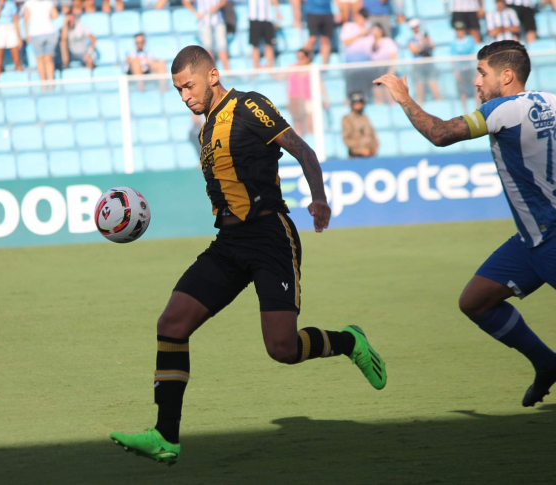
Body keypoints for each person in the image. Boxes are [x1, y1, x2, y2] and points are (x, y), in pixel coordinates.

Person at [110, 45, 387, 466]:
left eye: (188, 85)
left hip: (269, 235)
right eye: (177, 90)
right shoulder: (205, 132)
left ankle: (350, 342)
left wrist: (319, 200)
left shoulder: (248, 105)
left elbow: (303, 150)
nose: (184, 96)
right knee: (171, 323)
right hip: (229, 244)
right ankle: (166, 436)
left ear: (213, 75)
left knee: (281, 348)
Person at [375, 40, 556, 408]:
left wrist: (404, 98)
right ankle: (546, 363)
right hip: (530, 240)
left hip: (551, 238)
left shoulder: (501, 110)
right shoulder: (551, 100)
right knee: (476, 301)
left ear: (506, 76)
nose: (476, 81)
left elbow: (440, 134)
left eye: (482, 72)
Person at [182, 0, 230, 70]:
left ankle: (227, 71)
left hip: (218, 21)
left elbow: (223, 1)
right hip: (204, 23)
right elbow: (185, 2)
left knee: (222, 47)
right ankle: (212, 70)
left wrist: (215, 8)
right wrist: (195, 13)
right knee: (208, 48)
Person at [340, 8, 374, 98]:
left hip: (366, 64)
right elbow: (345, 42)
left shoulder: (369, 30)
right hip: (352, 64)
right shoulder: (348, 26)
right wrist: (360, 34)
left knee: (365, 88)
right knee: (352, 87)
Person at [23, 0, 59, 85]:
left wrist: (27, 33)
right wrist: (47, 20)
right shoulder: (48, 2)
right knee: (49, 60)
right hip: (49, 32)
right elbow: (55, 15)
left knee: (40, 60)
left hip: (36, 33)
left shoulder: (29, 3)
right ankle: (51, 83)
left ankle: (43, 83)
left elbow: (26, 19)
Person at [407, 18, 441, 104]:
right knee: (419, 85)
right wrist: (423, 43)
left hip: (428, 63)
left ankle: (439, 103)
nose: (416, 28)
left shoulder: (426, 37)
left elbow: (433, 46)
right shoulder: (411, 40)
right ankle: (420, 105)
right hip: (418, 65)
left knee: (433, 83)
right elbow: (415, 51)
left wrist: (427, 41)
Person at [293, 0, 334, 65]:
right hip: (312, 14)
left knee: (325, 40)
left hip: (327, 13)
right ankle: (302, 61)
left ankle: (324, 66)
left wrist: (340, 10)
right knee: (313, 38)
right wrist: (297, 17)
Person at [450, 21, 477, 113]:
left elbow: (473, 54)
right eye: (458, 30)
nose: (459, 32)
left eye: (461, 30)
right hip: (461, 70)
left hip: (470, 69)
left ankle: (477, 108)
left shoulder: (469, 40)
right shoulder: (454, 43)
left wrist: (476, 69)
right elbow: (453, 60)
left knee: (476, 88)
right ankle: (465, 111)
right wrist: (455, 72)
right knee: (462, 91)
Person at [342, 91, 377, 157]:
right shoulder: (347, 119)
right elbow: (347, 139)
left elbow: (372, 134)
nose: (358, 105)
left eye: (360, 103)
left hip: (370, 154)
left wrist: (374, 147)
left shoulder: (365, 118)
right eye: (356, 103)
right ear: (352, 104)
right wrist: (360, 151)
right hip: (356, 156)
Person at [370, 22, 397, 104]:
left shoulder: (387, 41)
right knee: (378, 93)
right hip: (375, 70)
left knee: (388, 92)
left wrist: (391, 70)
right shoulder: (370, 43)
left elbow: (393, 57)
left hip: (386, 69)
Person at [248, 0, 280, 69]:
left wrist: (277, 11)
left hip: (268, 18)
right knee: (255, 45)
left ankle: (270, 67)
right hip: (254, 18)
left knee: (269, 44)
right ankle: (256, 68)